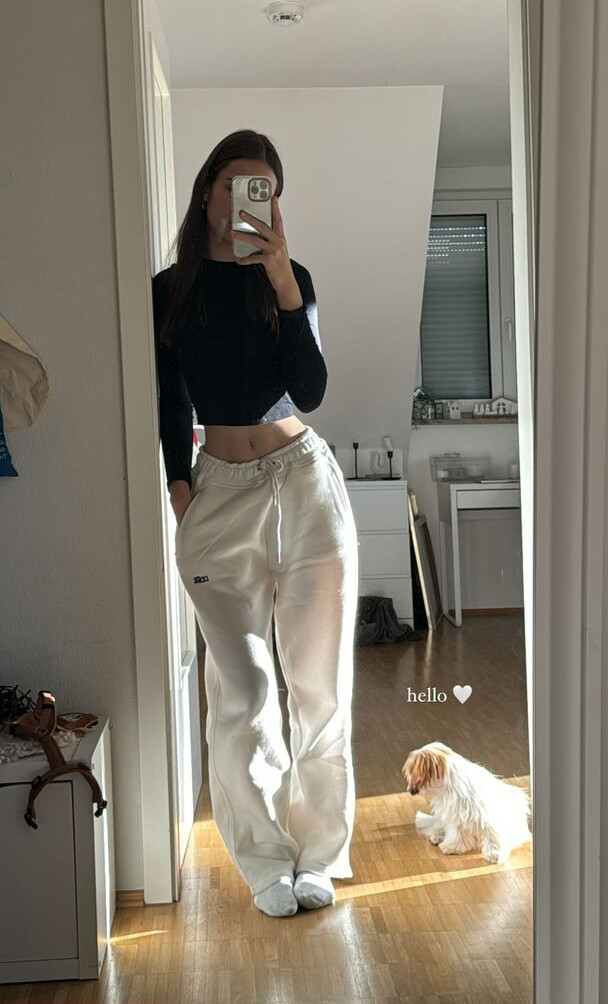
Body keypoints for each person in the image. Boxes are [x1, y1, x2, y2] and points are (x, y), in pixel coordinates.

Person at [152, 129, 359, 917]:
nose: (249, 200)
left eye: (265, 188)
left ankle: (320, 855)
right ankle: (266, 859)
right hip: (219, 492)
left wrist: (281, 280)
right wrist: (180, 486)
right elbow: (170, 398)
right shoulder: (169, 290)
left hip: (303, 483)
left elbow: (311, 391)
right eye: (237, 183)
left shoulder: (290, 279)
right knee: (241, 690)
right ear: (208, 190)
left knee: (318, 688)